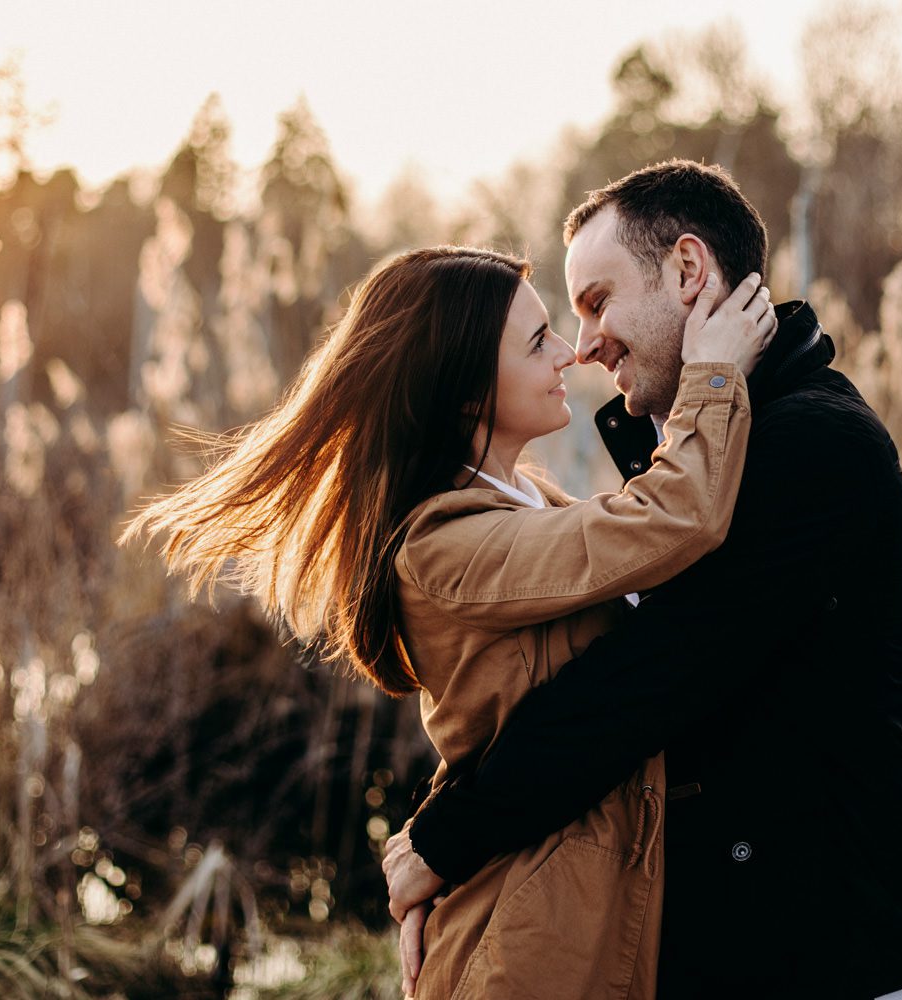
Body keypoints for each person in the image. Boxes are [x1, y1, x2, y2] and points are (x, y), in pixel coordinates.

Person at [120, 244, 778, 999]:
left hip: (573, 915)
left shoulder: (528, 501)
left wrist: (429, 844)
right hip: (526, 944)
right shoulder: (447, 544)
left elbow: (496, 721)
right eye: (537, 342)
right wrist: (713, 373)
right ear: (467, 393)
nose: (568, 354)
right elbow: (672, 519)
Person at [382, 160, 902, 999]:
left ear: (687, 270)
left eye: (597, 301)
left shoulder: (815, 446)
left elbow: (644, 680)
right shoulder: (687, 446)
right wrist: (439, 845)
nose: (584, 345)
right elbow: (518, 695)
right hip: (715, 950)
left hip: (820, 956)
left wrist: (443, 842)